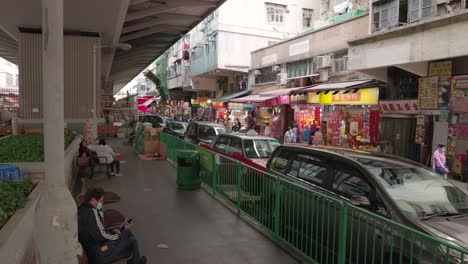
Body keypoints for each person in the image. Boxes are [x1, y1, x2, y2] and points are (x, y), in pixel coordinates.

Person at [78, 187, 147, 264]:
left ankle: (135, 261)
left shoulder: (82, 209)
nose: (102, 203)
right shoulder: (92, 213)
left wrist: (113, 231)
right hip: (100, 253)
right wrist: (116, 234)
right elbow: (101, 235)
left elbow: (97, 231)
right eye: (101, 201)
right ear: (93, 200)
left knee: (126, 232)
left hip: (95, 250)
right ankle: (136, 261)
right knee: (132, 239)